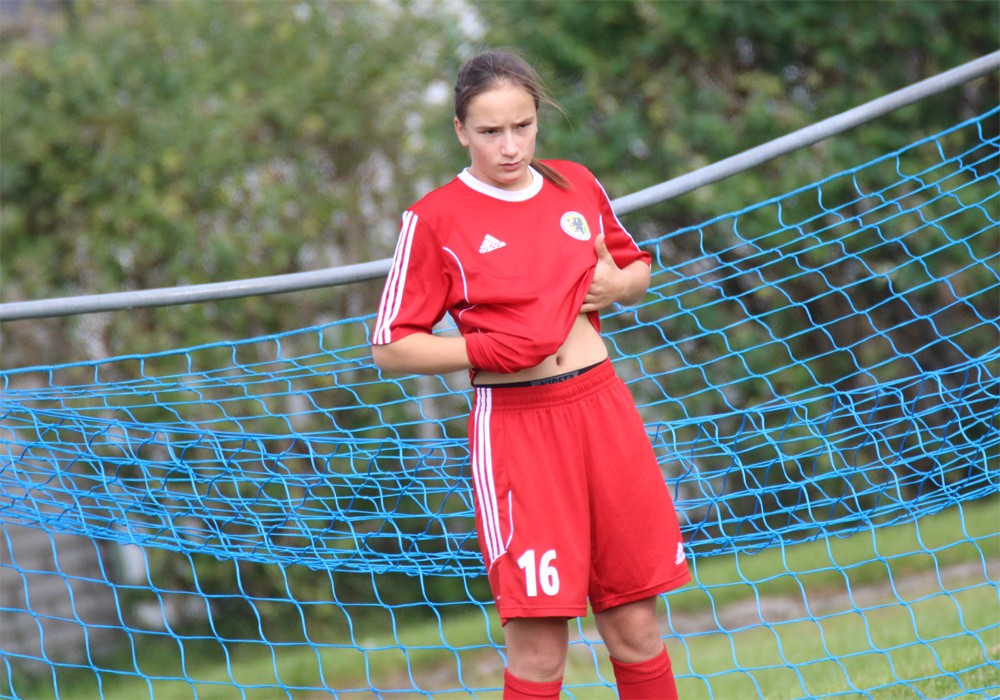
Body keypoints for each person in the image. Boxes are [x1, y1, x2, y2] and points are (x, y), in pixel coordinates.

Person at [371, 49, 690, 699]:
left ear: (538, 118)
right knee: (540, 644)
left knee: (634, 624)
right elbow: (391, 346)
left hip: (603, 409)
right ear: (460, 131)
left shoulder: (576, 184)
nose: (510, 146)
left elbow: (634, 266)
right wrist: (484, 349)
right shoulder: (434, 218)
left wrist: (618, 285)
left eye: (522, 126)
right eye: (490, 131)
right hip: (519, 430)